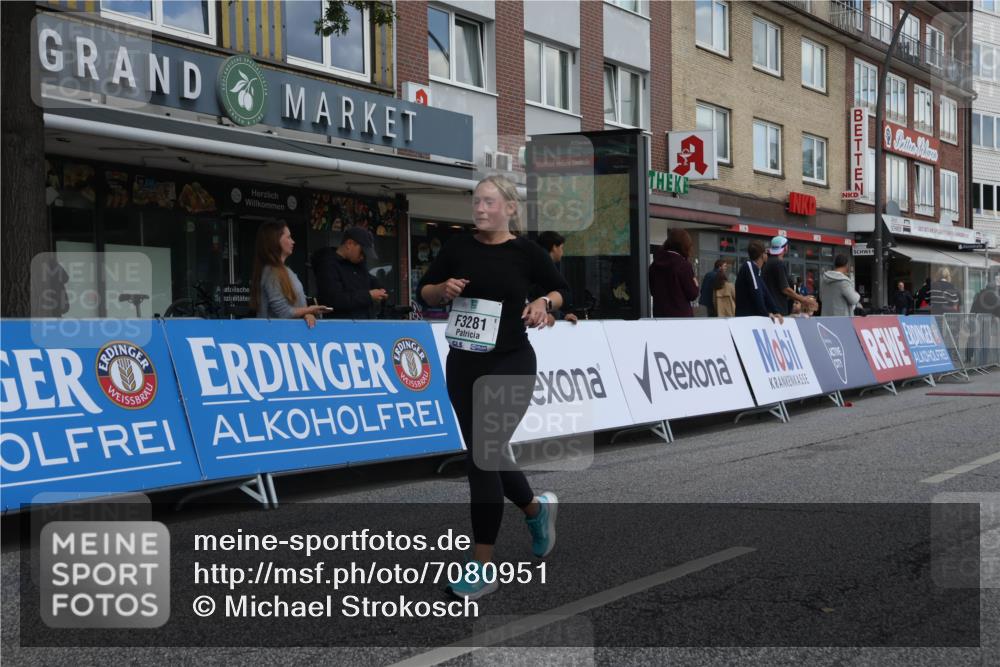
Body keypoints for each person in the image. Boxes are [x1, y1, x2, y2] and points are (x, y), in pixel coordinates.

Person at [417, 175, 569, 600]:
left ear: (509, 208)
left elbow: (562, 290)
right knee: (489, 453)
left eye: (488, 202)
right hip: (463, 363)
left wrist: (544, 303)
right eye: (475, 202)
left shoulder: (526, 252)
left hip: (511, 362)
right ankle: (536, 512)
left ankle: (482, 565)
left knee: (483, 456)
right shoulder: (457, 247)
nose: (479, 209)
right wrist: (441, 290)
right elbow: (424, 290)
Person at [250, 221, 328, 328]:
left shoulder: (285, 271)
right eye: (288, 237)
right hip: (274, 337)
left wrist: (308, 314)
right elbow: (284, 312)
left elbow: (298, 305)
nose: (293, 241)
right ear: (275, 240)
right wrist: (310, 310)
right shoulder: (270, 272)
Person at [311, 226, 387, 319]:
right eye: (362, 252)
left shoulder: (358, 265)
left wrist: (381, 289)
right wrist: (369, 295)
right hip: (341, 327)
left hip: (365, 323)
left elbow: (370, 280)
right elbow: (334, 300)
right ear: (349, 244)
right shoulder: (328, 265)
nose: (363, 257)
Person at [649, 229, 699, 317]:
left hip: (660, 315)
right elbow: (692, 294)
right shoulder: (684, 265)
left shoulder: (654, 265)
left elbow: (653, 291)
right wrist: (695, 283)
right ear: (685, 245)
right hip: (681, 317)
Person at [762, 236, 815, 316]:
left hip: (768, 309)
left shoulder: (767, 262)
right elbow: (785, 289)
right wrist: (803, 299)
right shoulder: (778, 264)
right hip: (778, 310)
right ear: (785, 248)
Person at [735, 240, 784, 322]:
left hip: (753, 318)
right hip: (746, 319)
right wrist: (766, 314)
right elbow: (756, 292)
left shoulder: (757, 271)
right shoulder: (749, 266)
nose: (768, 255)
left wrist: (776, 311)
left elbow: (766, 293)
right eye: (766, 253)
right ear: (762, 254)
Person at [536, 230, 578, 325]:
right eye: (561, 248)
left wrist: (563, 316)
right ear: (554, 247)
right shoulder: (540, 269)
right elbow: (535, 298)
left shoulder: (544, 268)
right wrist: (545, 314)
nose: (562, 252)